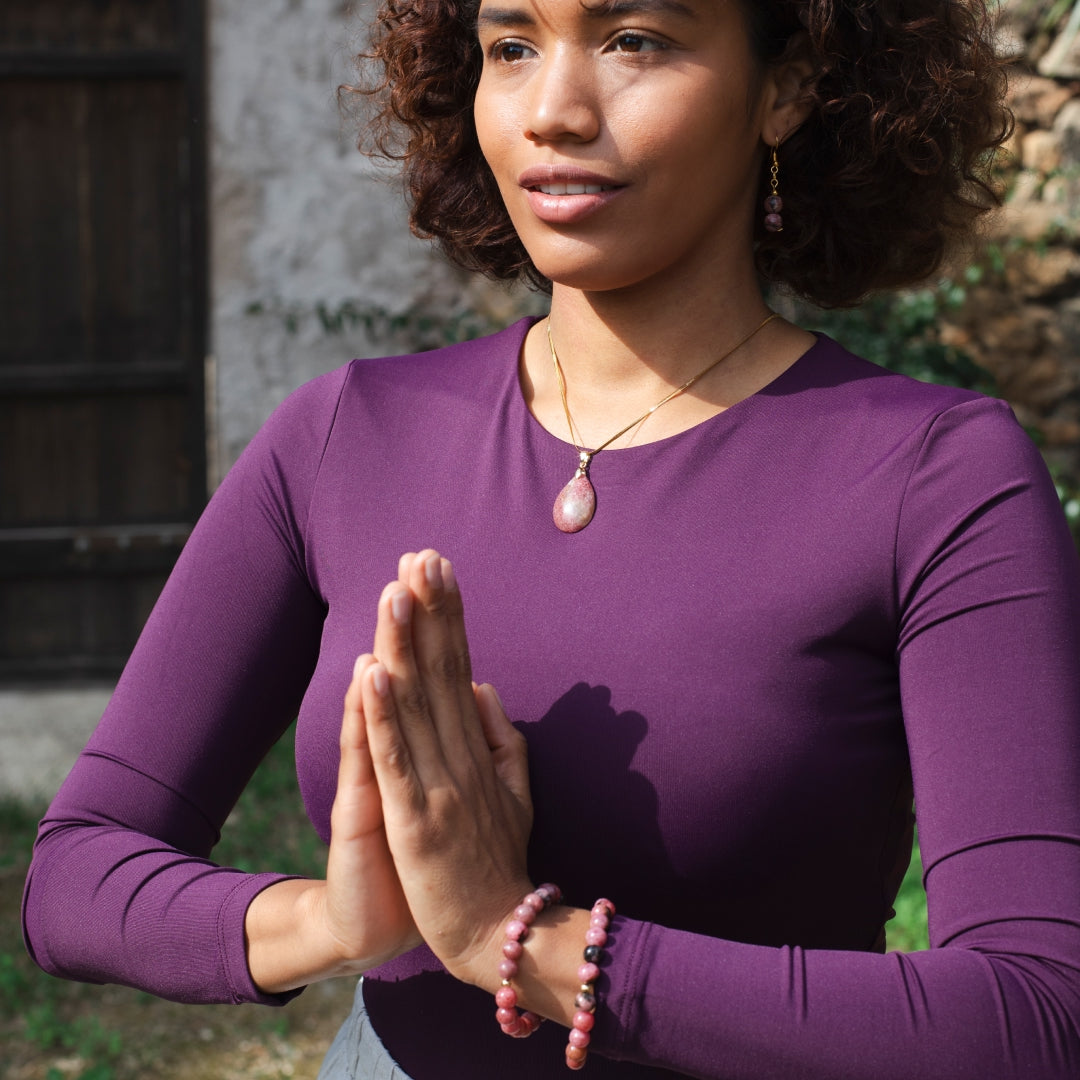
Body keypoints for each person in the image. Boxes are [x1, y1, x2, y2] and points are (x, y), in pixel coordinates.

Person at [22, 0, 1080, 1077]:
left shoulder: (935, 476)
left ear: (787, 88)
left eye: (635, 41)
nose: (554, 112)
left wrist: (517, 944)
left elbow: (1035, 1012)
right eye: (512, 46)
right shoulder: (348, 434)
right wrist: (342, 921)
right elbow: (74, 878)